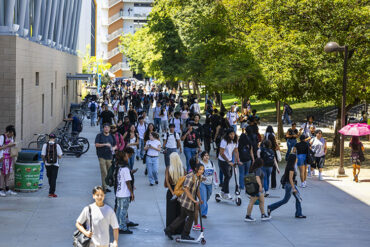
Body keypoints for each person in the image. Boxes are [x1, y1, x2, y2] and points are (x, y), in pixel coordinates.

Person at [164, 157, 204, 241]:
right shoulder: (190, 177)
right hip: (186, 201)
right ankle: (185, 234)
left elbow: (197, 190)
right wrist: (193, 200)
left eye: (202, 170)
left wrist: (200, 199)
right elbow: (185, 189)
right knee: (191, 217)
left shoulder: (198, 177)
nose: (201, 171)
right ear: (196, 169)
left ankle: (169, 229)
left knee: (182, 217)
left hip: (189, 201)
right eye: (200, 169)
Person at [267, 154, 306, 219]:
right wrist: (293, 188)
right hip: (290, 185)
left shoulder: (289, 165)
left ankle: (299, 213)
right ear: (293, 159)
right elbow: (290, 178)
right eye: (296, 158)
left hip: (290, 184)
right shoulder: (291, 168)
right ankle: (270, 207)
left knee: (298, 198)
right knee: (285, 200)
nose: (297, 159)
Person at [115, 150, 136, 234]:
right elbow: (128, 182)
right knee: (123, 211)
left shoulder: (119, 167)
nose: (128, 157)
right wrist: (131, 193)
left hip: (119, 193)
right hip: (124, 194)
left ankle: (118, 225)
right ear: (123, 158)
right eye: (126, 156)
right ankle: (123, 227)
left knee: (119, 210)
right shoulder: (125, 169)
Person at [165, 153, 186, 235]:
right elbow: (185, 181)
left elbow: (167, 181)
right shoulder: (183, 169)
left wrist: (172, 191)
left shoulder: (168, 168)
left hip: (172, 191)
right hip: (181, 191)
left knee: (170, 212)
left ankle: (170, 230)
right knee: (180, 211)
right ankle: (180, 229)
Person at [218, 128, 240, 199]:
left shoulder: (235, 141)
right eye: (231, 134)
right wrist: (228, 161)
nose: (232, 135)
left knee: (230, 176)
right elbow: (221, 153)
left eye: (233, 134)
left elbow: (236, 151)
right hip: (222, 161)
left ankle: (222, 191)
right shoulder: (224, 141)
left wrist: (238, 161)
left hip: (230, 160)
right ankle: (226, 193)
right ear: (227, 135)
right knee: (227, 176)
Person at [95, 124, 117, 192]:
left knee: (109, 172)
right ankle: (104, 188)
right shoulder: (99, 135)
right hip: (101, 156)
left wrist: (113, 148)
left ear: (110, 129)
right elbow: (96, 144)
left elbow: (115, 145)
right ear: (103, 128)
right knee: (104, 172)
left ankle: (106, 185)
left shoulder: (112, 136)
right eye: (105, 127)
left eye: (108, 127)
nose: (106, 129)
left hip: (110, 156)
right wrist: (105, 144)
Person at [41, 134, 63, 198]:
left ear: (49, 138)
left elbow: (42, 155)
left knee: (49, 177)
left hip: (47, 164)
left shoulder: (45, 145)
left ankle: (51, 191)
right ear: (54, 138)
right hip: (55, 164)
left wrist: (44, 161)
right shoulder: (57, 145)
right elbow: (60, 156)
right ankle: (51, 192)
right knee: (54, 178)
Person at [0, 125, 17, 197]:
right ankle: (0, 189)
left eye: (13, 135)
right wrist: (8, 145)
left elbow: (11, 147)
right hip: (3, 157)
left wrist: (13, 145)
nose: (11, 136)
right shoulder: (2, 137)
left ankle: (7, 188)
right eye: (11, 134)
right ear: (8, 132)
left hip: (9, 157)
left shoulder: (11, 138)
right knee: (3, 173)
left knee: (8, 173)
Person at [199, 151, 215, 219]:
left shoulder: (211, 163)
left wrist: (215, 182)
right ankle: (203, 213)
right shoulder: (200, 164)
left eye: (207, 155)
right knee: (204, 199)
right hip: (202, 183)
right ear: (202, 157)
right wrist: (202, 177)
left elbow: (215, 173)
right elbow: (198, 173)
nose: (206, 157)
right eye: (205, 155)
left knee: (208, 196)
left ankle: (201, 205)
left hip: (209, 183)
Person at [264, 126, 280, 190]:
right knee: (273, 171)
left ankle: (266, 185)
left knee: (266, 171)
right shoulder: (273, 136)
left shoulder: (265, 136)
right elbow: (277, 146)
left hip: (266, 154)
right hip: (273, 154)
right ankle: (273, 185)